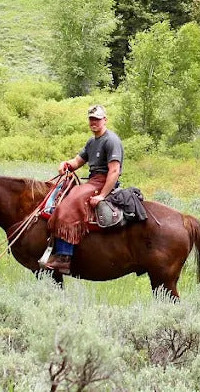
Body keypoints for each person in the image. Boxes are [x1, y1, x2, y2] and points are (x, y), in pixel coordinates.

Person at [45, 104, 123, 274]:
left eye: (97, 119)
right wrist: (65, 164)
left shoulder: (111, 140)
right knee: (57, 193)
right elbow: (77, 162)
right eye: (91, 119)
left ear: (105, 120)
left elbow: (114, 171)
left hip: (102, 182)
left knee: (69, 204)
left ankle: (64, 257)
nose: (93, 122)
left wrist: (103, 195)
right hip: (93, 180)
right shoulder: (92, 141)